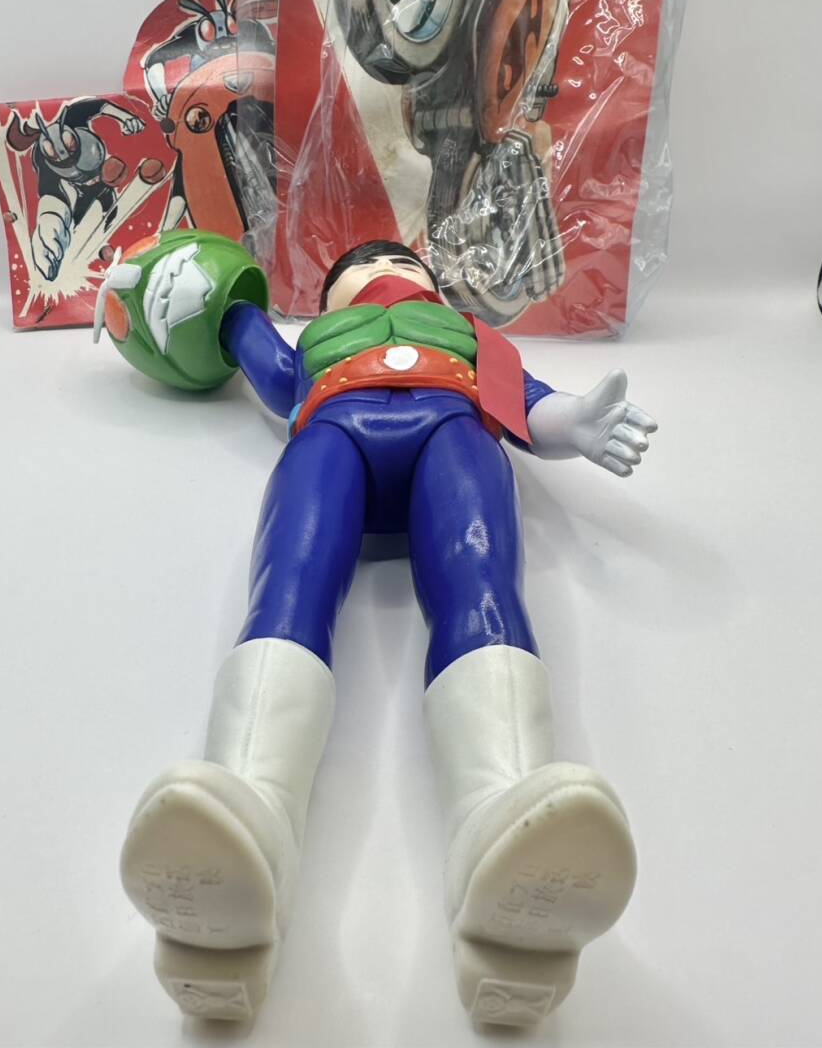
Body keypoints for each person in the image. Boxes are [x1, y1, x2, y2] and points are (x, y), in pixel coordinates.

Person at [96, 233, 657, 1025]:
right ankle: (246, 817)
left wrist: (576, 423)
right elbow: (264, 361)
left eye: (405, 264)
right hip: (332, 432)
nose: (388, 270)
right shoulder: (319, 345)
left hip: (454, 432)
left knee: (482, 590)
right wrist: (215, 307)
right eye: (363, 265)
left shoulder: (469, 336)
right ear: (325, 300)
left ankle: (504, 816)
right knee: (288, 591)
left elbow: (526, 400)